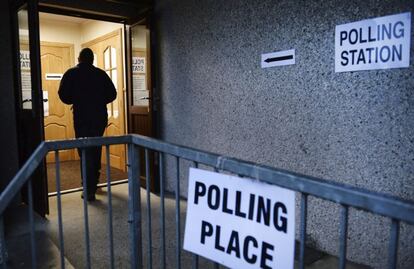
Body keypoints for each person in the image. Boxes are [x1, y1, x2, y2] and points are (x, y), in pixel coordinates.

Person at [58, 48, 117, 201]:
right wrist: (98, 100)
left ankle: (88, 187)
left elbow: (63, 95)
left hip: (82, 117)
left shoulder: (71, 73)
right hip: (98, 117)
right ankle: (94, 183)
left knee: (84, 150)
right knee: (96, 149)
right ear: (92, 59)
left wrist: (77, 99)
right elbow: (113, 94)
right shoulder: (100, 74)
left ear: (79, 58)